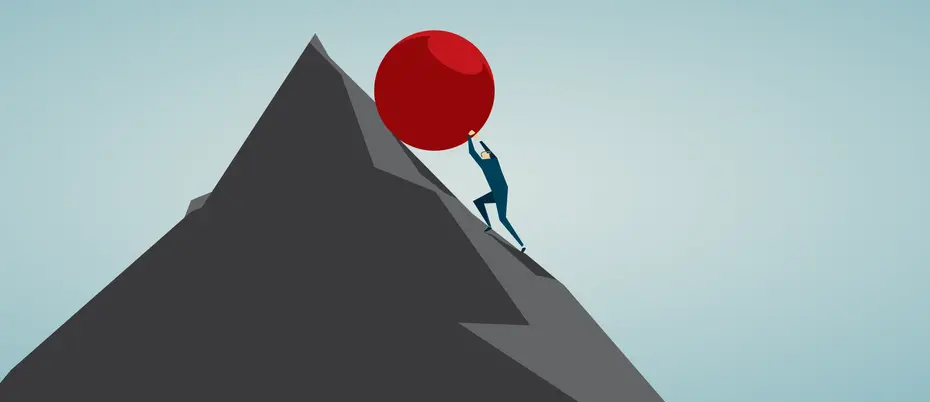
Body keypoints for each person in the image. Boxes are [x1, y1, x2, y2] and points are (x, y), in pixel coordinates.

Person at [466, 130, 526, 252]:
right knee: (479, 202)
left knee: (502, 218)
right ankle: (489, 225)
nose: (483, 154)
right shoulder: (485, 164)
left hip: (501, 191)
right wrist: (470, 138)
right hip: (497, 191)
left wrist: (476, 139)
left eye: (485, 153)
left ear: (488, 155)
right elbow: (472, 152)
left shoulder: (494, 161)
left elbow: (486, 151)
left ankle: (521, 244)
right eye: (483, 154)